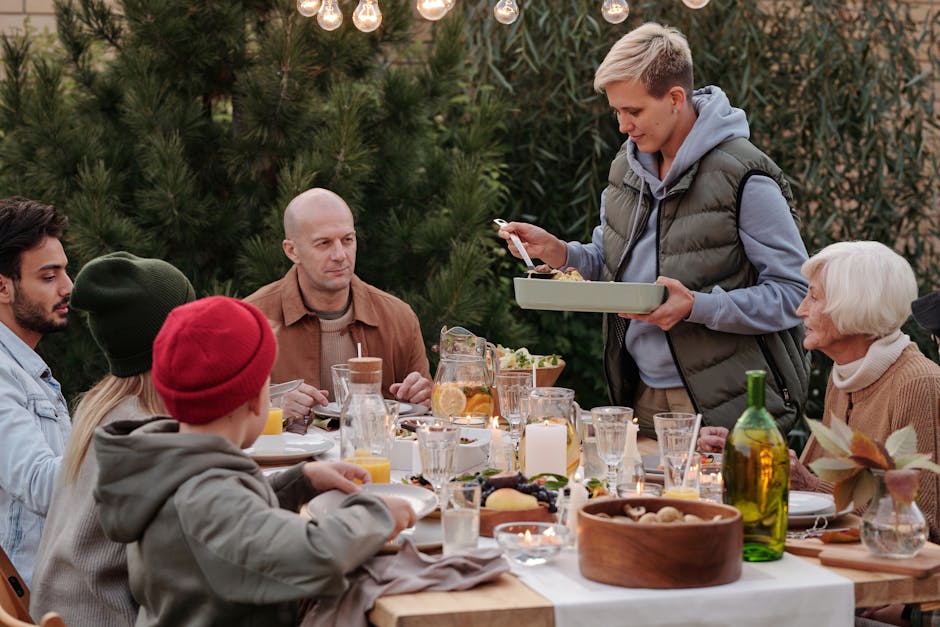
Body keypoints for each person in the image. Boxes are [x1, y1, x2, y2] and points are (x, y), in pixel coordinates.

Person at [497, 22, 809, 438]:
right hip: (639, 396)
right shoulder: (626, 169)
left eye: (634, 111)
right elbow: (613, 265)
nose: (623, 125)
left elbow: (795, 294)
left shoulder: (744, 177)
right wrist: (559, 253)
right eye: (617, 112)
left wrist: (698, 306)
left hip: (730, 406)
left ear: (676, 98)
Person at [93, 296, 416, 626]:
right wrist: (376, 515)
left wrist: (299, 482)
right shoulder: (204, 497)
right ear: (252, 399)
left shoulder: (171, 466)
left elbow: (235, 530)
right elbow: (307, 555)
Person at [700, 242, 940, 540]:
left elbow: (922, 521)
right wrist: (747, 453)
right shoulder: (846, 373)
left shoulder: (916, 383)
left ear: (853, 307)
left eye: (813, 297)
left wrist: (809, 485)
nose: (800, 310)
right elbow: (811, 477)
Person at [30, 252, 196, 626]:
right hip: (101, 617)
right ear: (172, 340)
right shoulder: (143, 435)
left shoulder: (104, 407)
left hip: (57, 611)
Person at [245, 188, 431, 422]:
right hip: (289, 459)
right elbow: (223, 418)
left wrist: (422, 397)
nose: (340, 255)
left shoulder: (398, 317)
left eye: (347, 240)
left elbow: (426, 418)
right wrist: (271, 406)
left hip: (376, 457)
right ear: (292, 251)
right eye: (324, 243)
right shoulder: (250, 321)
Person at [0, 198, 72, 585]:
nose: (68, 287)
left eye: (65, 271)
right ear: (3, 287)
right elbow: (41, 484)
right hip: (35, 598)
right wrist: (129, 442)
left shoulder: (25, 368)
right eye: (49, 276)